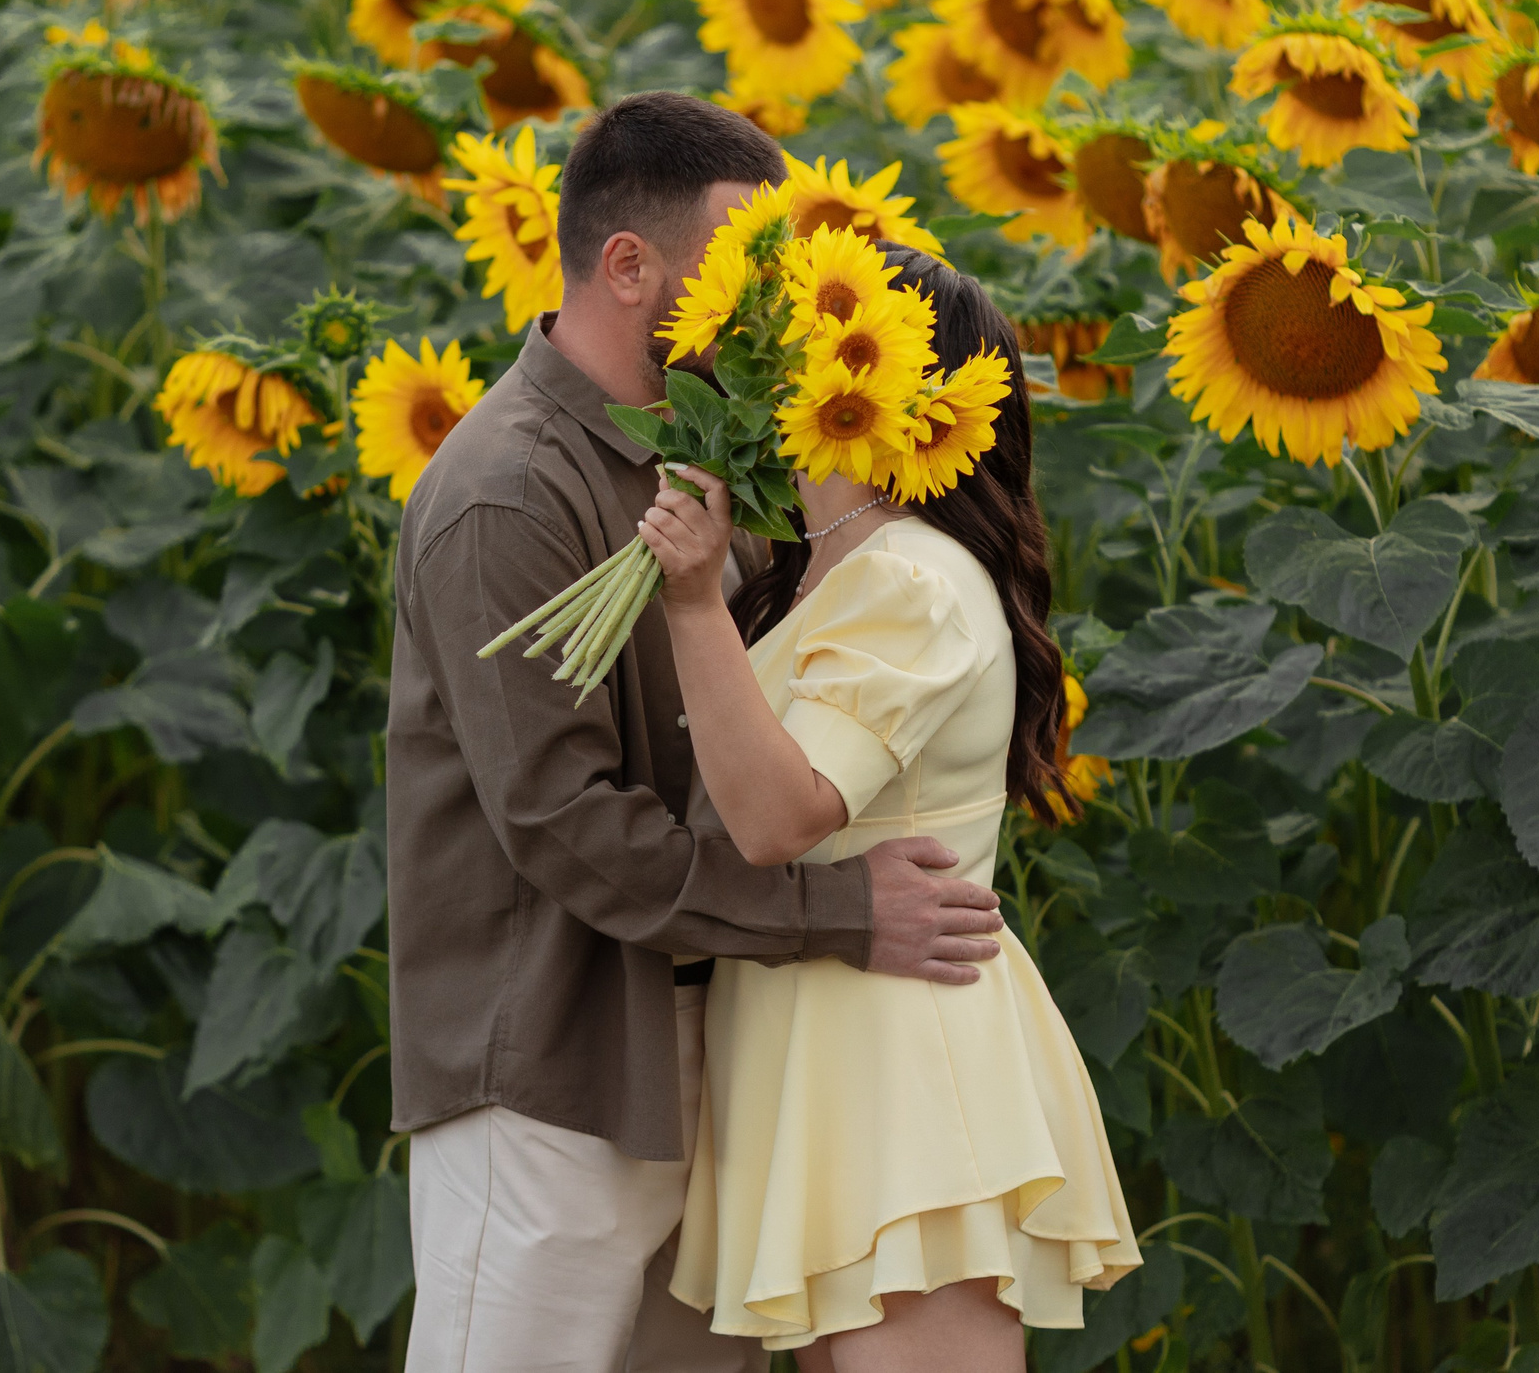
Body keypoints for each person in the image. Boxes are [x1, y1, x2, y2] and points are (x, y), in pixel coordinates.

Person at [387, 92, 1010, 1373]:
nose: (765, 297)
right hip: (550, 1071)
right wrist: (836, 915)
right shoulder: (508, 490)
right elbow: (566, 826)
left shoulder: (698, 458)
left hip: (696, 1056)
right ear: (629, 266)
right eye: (737, 262)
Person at [637, 248, 1142, 1372]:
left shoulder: (907, 577)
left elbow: (780, 818)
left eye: (820, 330)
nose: (780, 355)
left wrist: (688, 601)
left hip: (897, 1056)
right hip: (825, 1042)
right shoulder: (829, 568)